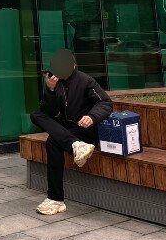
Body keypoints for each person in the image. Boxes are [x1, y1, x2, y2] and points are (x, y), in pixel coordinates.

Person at [30, 48, 113, 216]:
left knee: (53, 141)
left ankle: (55, 198)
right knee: (36, 115)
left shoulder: (85, 80)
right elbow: (49, 112)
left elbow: (105, 103)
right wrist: (50, 90)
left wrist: (92, 117)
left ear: (73, 65)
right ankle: (75, 145)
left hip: (85, 129)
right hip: (67, 130)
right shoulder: (56, 82)